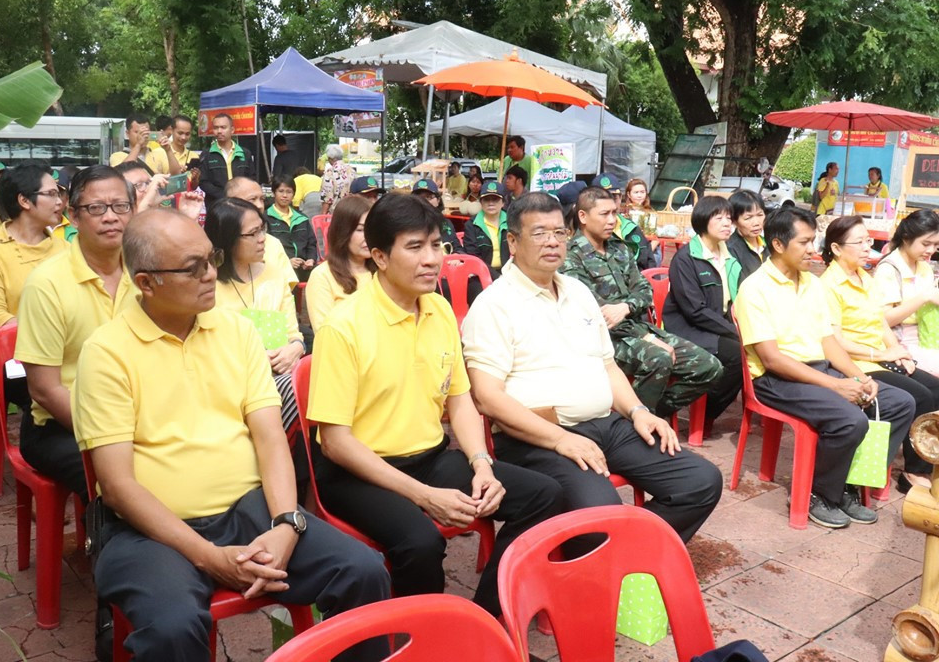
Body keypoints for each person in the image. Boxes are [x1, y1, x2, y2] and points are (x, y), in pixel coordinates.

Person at [72, 209, 390, 662]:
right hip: (150, 531)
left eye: (211, 258)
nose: (209, 274)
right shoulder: (106, 353)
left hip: (249, 510)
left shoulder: (235, 331)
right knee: (172, 628)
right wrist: (207, 556)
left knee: (363, 571)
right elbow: (119, 488)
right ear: (145, 283)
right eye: (192, 267)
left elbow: (270, 439)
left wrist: (286, 523)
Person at [308, 193, 561, 617]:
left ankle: (487, 616)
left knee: (544, 495)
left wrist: (481, 463)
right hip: (359, 473)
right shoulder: (344, 327)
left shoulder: (439, 308)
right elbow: (334, 442)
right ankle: (415, 636)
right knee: (421, 543)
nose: (432, 259)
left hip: (428, 458)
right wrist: (424, 496)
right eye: (414, 247)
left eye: (437, 245)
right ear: (379, 256)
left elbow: (460, 398)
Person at [462, 192, 721, 542]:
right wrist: (560, 440)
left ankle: (632, 554)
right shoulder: (494, 304)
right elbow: (487, 397)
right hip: (538, 437)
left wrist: (639, 410)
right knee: (600, 518)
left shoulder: (577, 291)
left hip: (607, 425)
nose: (552, 242)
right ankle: (608, 558)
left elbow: (607, 365)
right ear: (512, 241)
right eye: (539, 233)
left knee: (701, 481)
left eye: (559, 233)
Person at [734, 206, 915, 528]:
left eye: (812, 240)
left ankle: (844, 484)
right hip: (778, 379)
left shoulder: (812, 284)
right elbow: (773, 359)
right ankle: (817, 493)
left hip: (818, 370)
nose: (813, 249)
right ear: (778, 245)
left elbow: (829, 342)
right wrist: (835, 386)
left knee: (900, 404)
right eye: (804, 242)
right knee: (849, 420)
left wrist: (858, 377)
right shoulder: (755, 288)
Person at [15, 165, 139, 510]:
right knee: (122, 484)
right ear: (73, 215)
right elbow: (44, 389)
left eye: (121, 206)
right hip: (61, 424)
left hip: (139, 413)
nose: (110, 218)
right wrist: (115, 435)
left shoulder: (146, 272)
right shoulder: (47, 284)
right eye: (97, 208)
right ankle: (113, 555)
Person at [562, 186, 723, 418]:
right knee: (659, 358)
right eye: (604, 214)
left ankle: (647, 416)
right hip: (602, 339)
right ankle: (636, 422)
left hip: (637, 328)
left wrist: (626, 306)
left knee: (708, 366)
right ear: (583, 217)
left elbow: (644, 290)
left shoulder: (620, 249)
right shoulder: (570, 256)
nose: (612, 220)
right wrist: (647, 337)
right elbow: (597, 314)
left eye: (614, 213)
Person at [820, 215, 938, 494]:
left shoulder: (864, 277)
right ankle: (911, 471)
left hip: (879, 356)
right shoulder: (829, 285)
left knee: (934, 387)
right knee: (918, 396)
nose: (867, 248)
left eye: (868, 241)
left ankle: (921, 458)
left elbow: (880, 321)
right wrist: (880, 353)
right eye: (859, 242)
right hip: (855, 362)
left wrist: (898, 352)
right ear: (837, 249)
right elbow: (835, 342)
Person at [205, 198, 306, 453]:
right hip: (230, 384)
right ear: (227, 238)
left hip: (279, 373)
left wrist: (295, 347)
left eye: (262, 229)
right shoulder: (207, 284)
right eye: (252, 233)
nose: (262, 239)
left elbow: (293, 333)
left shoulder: (274, 273)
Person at [0, 162, 68, 411]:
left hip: (60, 351)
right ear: (25, 201)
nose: (60, 201)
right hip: (2, 354)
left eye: (59, 193)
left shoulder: (67, 251)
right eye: (50, 194)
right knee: (44, 388)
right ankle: (40, 438)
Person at [663, 195, 743, 431]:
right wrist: (734, 331)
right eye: (719, 218)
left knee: (754, 350)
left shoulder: (730, 257)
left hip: (718, 323)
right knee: (737, 355)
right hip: (688, 327)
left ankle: (708, 411)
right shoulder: (686, 258)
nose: (727, 223)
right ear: (702, 221)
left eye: (729, 218)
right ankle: (704, 413)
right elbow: (694, 310)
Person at [875, 209, 939, 375]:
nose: (931, 250)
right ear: (906, 238)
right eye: (926, 244)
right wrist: (925, 297)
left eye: (936, 245)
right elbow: (883, 320)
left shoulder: (924, 267)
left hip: (926, 337)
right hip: (899, 341)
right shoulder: (888, 269)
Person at [305, 196, 372, 332]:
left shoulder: (384, 272)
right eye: (360, 230)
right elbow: (325, 333)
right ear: (343, 231)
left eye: (372, 229)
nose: (368, 236)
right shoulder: (322, 276)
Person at [225, 177, 300, 291]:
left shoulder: (273, 244)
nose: (260, 206)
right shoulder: (220, 242)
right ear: (231, 203)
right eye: (252, 199)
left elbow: (287, 288)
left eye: (262, 199)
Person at [592, 173, 658, 270]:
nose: (610, 201)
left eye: (614, 197)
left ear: (620, 198)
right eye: (603, 197)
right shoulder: (588, 232)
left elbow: (649, 265)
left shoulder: (632, 228)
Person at [198, 113, 256, 210]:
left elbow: (252, 177)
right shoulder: (207, 154)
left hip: (241, 204)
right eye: (216, 128)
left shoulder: (245, 153)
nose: (219, 131)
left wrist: (241, 194)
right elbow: (203, 182)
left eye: (223, 127)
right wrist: (225, 195)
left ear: (232, 130)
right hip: (216, 205)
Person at [266, 176, 316, 275]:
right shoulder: (265, 218)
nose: (285, 195)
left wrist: (311, 259)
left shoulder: (302, 218)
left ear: (293, 195)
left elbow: (312, 243)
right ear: (273, 193)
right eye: (281, 191)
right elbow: (266, 250)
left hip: (303, 267)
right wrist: (287, 262)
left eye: (289, 192)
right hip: (278, 269)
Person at [462, 181, 508, 279]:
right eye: (486, 199)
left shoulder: (512, 222)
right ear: (481, 202)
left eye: (495, 199)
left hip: (509, 273)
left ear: (503, 202)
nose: (491, 203)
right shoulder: (471, 225)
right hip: (480, 274)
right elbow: (473, 257)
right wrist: (497, 277)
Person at [727, 189, 768, 284]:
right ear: (734, 221)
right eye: (748, 218)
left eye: (760, 215)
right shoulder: (730, 250)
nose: (756, 223)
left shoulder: (770, 243)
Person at [412, 178, 463, 254]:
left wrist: (457, 256)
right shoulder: (408, 225)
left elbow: (458, 247)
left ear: (438, 200)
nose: (424, 202)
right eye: (419, 198)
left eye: (429, 197)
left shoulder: (446, 223)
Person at [319, 144, 355, 215]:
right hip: (351, 211)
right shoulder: (351, 170)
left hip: (336, 212)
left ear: (330, 158)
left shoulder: (330, 172)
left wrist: (323, 214)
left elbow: (327, 197)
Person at [50, 167, 79, 242]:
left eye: (59, 194)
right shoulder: (25, 229)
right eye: (49, 194)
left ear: (67, 199)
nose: (57, 201)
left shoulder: (80, 229)